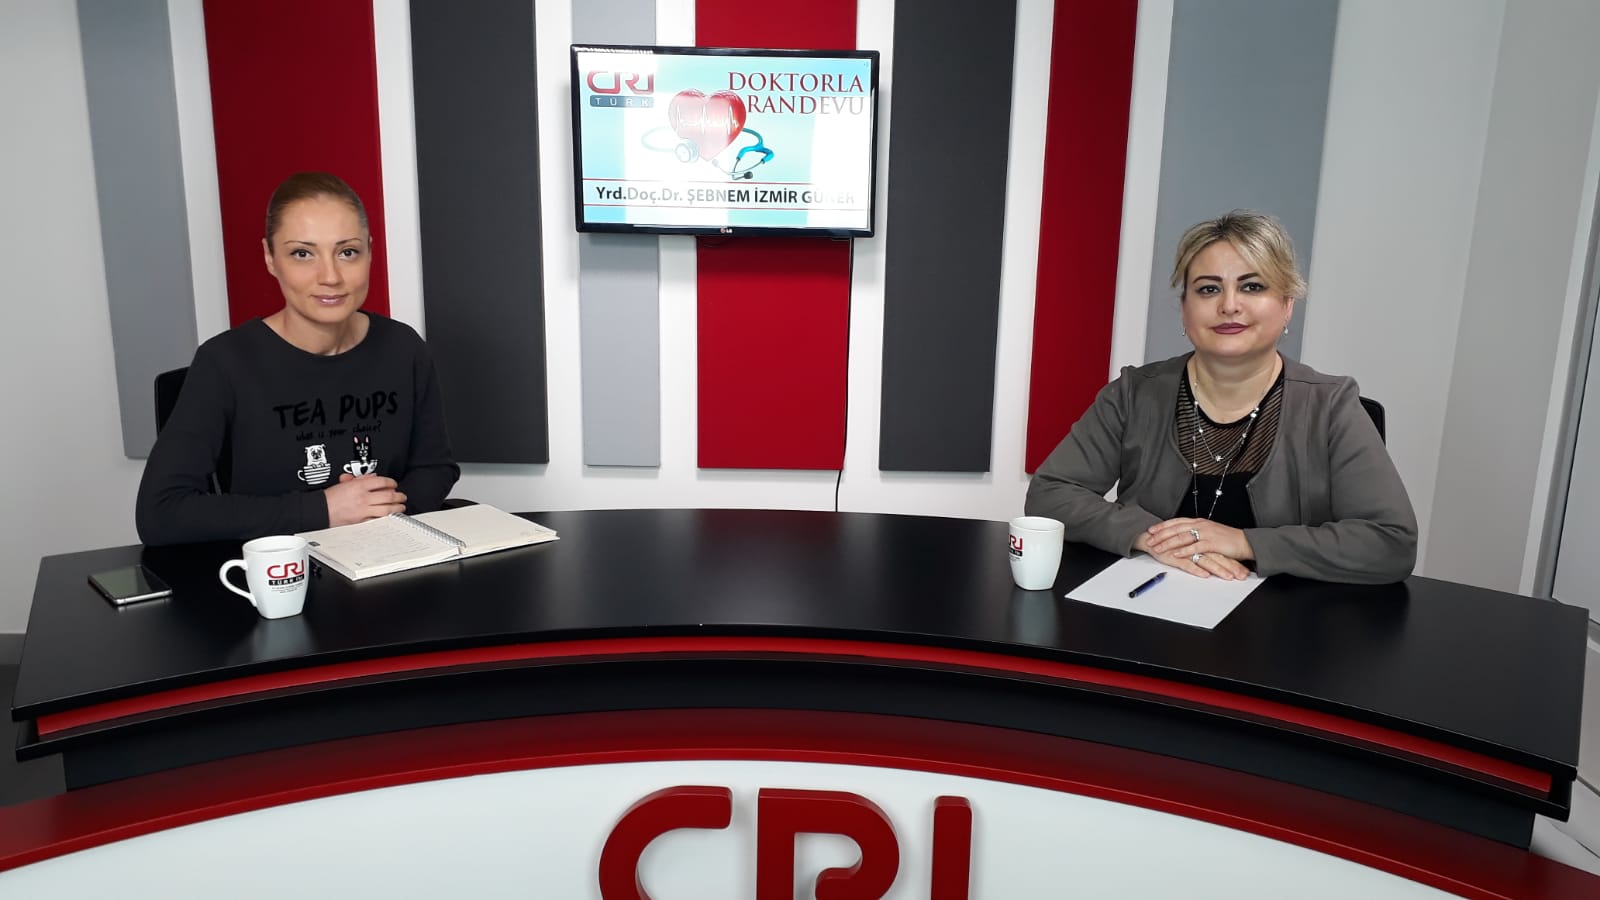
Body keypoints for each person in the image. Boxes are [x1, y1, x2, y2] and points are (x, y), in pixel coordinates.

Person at [1024, 210, 1416, 584]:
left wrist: (1243, 542)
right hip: (1150, 606)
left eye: (1252, 286)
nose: (1229, 305)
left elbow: (1391, 541)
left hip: (1284, 620)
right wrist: (1150, 535)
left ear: (1286, 306)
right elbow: (1050, 495)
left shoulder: (1332, 406)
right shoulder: (1133, 392)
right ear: (1185, 310)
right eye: (1208, 289)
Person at [136, 172, 459, 545]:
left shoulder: (404, 347)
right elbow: (160, 512)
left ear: (370, 251)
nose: (330, 276)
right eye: (302, 253)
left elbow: (435, 467)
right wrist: (324, 510)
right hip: (280, 570)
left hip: (385, 558)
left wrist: (381, 514)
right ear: (270, 258)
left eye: (347, 252)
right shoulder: (224, 362)